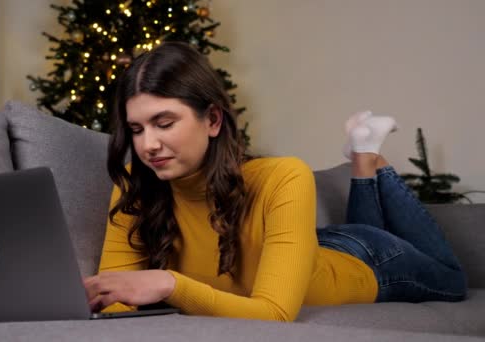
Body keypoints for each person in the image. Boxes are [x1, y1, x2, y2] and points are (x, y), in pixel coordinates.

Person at [83, 42, 467, 322]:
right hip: (301, 250)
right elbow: (113, 299)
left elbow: (275, 313)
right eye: (136, 129)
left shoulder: (284, 176)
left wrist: (171, 285)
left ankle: (369, 157)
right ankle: (363, 149)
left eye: (165, 124)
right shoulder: (136, 184)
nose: (148, 145)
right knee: (356, 230)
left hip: (366, 261)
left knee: (453, 280)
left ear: (213, 120)